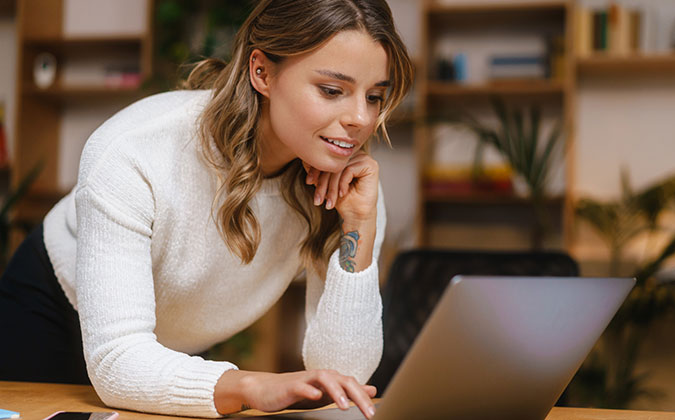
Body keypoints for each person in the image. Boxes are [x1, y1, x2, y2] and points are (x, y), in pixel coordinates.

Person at [0, 0, 413, 418]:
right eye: (332, 90)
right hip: (52, 313)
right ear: (262, 72)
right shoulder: (133, 151)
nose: (361, 118)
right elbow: (118, 361)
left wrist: (358, 225)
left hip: (172, 346)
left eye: (375, 96)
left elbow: (344, 378)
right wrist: (252, 383)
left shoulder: (352, 188)